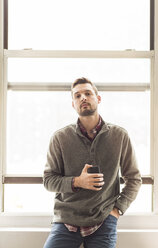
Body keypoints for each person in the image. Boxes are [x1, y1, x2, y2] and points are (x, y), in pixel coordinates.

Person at [43, 77, 142, 248]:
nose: (83, 98)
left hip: (103, 220)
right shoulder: (60, 138)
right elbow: (48, 180)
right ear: (73, 104)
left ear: (98, 98)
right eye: (77, 95)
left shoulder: (119, 136)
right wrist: (77, 182)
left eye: (88, 93)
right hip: (66, 220)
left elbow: (134, 179)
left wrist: (117, 210)